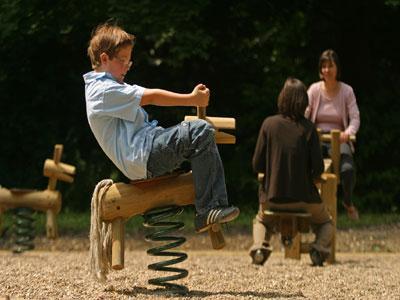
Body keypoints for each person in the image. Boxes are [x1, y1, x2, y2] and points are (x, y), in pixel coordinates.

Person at [83, 23, 239, 233]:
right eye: (122, 60)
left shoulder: (112, 87)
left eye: (130, 59)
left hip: (145, 153)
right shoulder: (102, 91)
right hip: (143, 156)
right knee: (198, 131)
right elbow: (152, 96)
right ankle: (209, 210)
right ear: (104, 59)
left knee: (198, 133)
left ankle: (210, 204)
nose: (128, 65)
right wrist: (192, 99)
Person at [249, 77, 333, 266]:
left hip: (273, 198)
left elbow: (257, 165)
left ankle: (259, 247)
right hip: (304, 200)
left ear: (282, 98)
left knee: (261, 221)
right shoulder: (309, 129)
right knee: (326, 223)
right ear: (304, 102)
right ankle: (318, 250)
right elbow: (318, 169)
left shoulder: (268, 124)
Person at [306, 49, 360, 220]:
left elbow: (355, 118)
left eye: (330, 66)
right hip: (317, 139)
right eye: (324, 66)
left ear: (337, 68)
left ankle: (347, 201)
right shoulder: (314, 90)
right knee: (306, 167)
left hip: (339, 138)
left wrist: (348, 133)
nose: (327, 70)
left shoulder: (347, 91)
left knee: (348, 170)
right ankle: (308, 204)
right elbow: (305, 114)